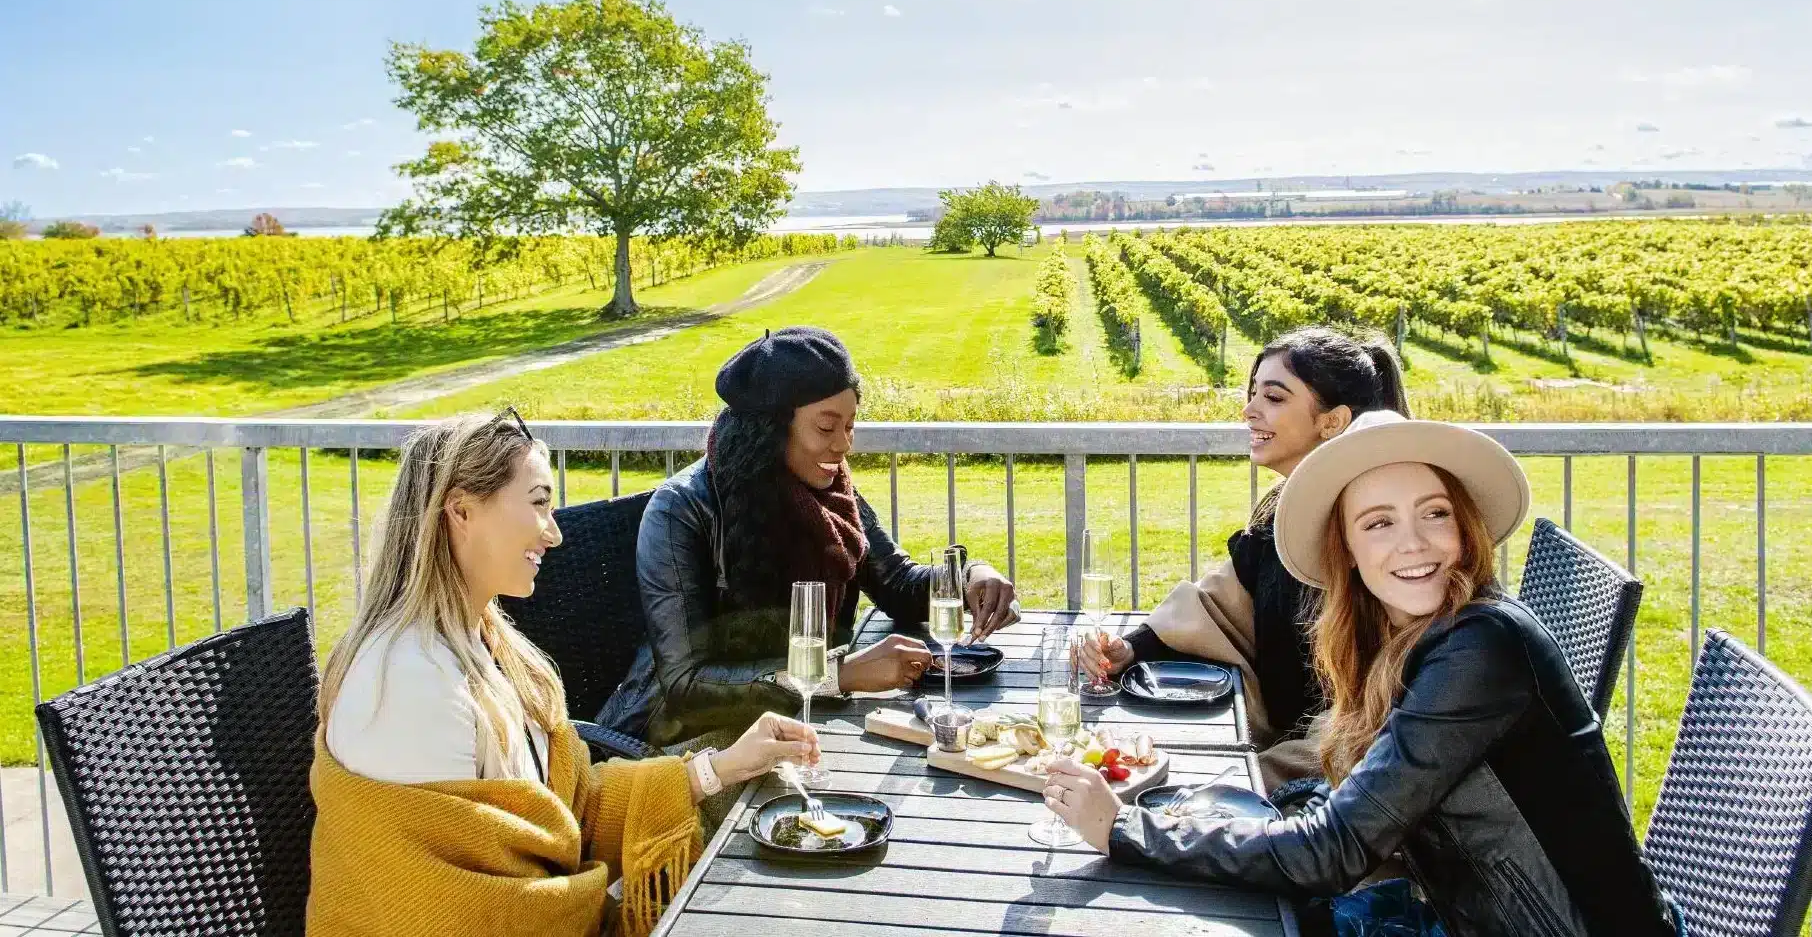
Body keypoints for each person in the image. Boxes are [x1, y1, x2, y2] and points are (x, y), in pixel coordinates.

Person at [1043, 410, 1684, 936]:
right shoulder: (1409, 634)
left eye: (1435, 513)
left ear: (1465, 525)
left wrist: (1125, 828)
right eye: (1379, 523)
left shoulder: (1480, 648)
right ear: (1346, 549)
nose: (1412, 543)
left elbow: (1334, 851)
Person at [307, 410, 821, 937]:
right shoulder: (406, 685)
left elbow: (569, 806)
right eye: (538, 504)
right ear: (461, 510)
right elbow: (462, 913)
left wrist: (723, 766)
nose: (554, 534)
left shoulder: (485, 645)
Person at [601, 326, 1021, 748]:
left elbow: (895, 582)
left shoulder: (832, 493)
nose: (844, 446)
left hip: (796, 720)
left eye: (850, 426)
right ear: (771, 428)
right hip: (678, 744)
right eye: (826, 428)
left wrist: (969, 576)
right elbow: (687, 688)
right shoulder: (682, 509)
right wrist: (836, 673)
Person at [1078, 327, 1407, 789]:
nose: (1249, 411)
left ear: (1331, 421)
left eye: (1273, 397)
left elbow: (1365, 710)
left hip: (1329, 778)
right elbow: (1219, 604)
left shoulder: (1368, 537)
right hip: (1285, 754)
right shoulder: (1283, 511)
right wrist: (1133, 648)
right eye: (1253, 394)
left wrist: (1245, 780)